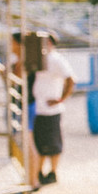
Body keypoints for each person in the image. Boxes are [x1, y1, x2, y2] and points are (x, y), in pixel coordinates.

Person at [30, 32, 75, 185]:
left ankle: (53, 171)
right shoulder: (40, 58)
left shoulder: (56, 59)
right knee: (41, 142)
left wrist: (61, 99)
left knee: (53, 143)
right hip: (40, 107)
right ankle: (41, 171)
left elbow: (71, 79)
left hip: (51, 109)